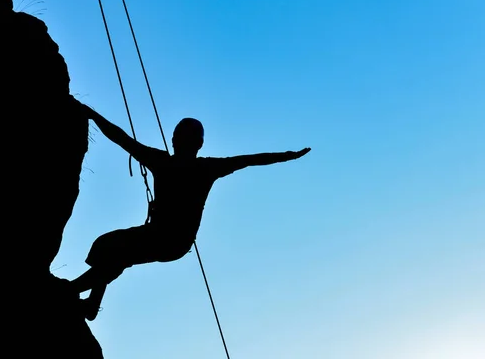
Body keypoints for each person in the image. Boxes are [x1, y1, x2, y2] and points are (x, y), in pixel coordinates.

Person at [71, 104, 311, 320]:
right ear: (198, 143)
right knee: (111, 249)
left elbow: (122, 138)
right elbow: (250, 159)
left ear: (178, 140)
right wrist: (289, 156)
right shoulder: (202, 167)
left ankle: (77, 295)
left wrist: (91, 114)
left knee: (113, 249)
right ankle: (87, 302)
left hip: (168, 239)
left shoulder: (171, 162)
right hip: (172, 240)